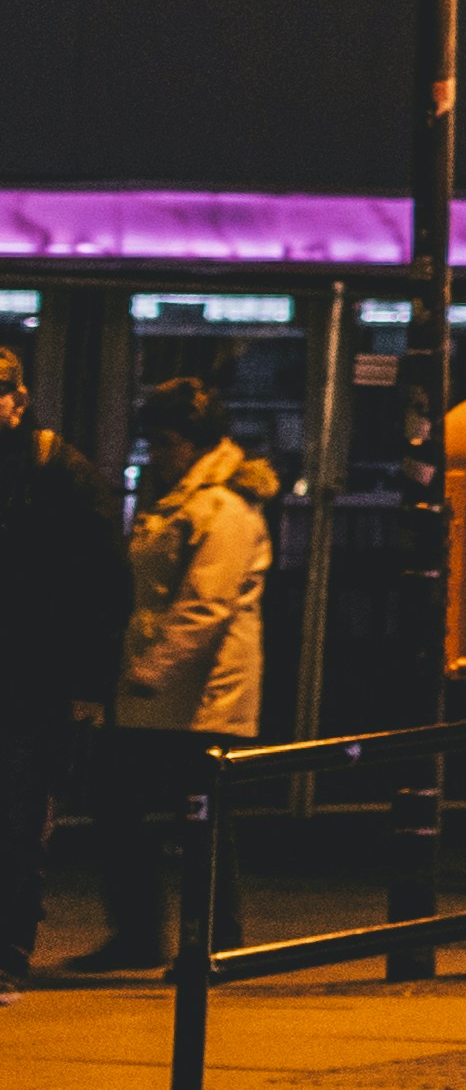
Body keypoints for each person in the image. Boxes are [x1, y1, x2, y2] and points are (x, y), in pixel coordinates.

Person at [70, 375, 274, 974]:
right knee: (139, 809)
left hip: (201, 693)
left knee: (191, 818)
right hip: (163, 691)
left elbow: (206, 604)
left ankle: (209, 940)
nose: (157, 453)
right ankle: (161, 935)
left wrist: (149, 669)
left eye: (166, 442)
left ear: (198, 442)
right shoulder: (182, 500)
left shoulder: (223, 507)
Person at [6, 343, 137, 981]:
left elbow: (106, 589)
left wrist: (87, 685)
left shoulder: (62, 474)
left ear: (18, 399)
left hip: (36, 677)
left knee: (18, 814)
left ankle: (8, 950)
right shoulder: (52, 470)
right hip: (32, 669)